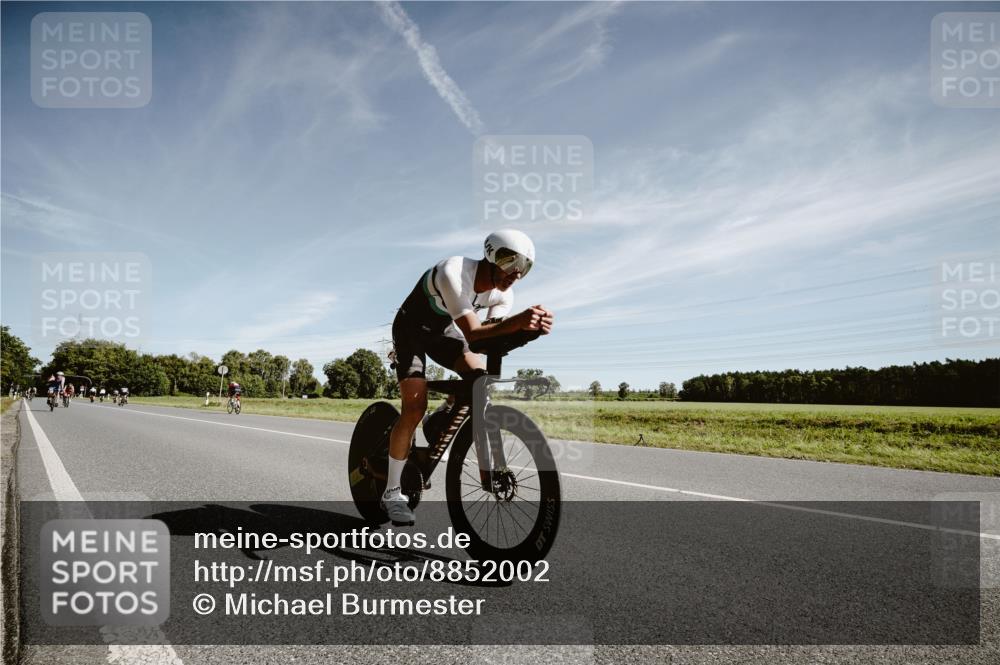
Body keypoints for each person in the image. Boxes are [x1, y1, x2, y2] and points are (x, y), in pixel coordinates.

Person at [384, 229, 553, 526]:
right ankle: (392, 493)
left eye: (524, 268)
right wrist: (518, 322)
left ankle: (442, 415)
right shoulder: (454, 271)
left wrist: (527, 332)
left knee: (479, 378)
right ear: (490, 254)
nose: (516, 273)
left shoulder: (503, 296)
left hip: (443, 332)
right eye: (510, 261)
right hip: (411, 331)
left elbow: (489, 339)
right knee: (414, 407)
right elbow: (474, 334)